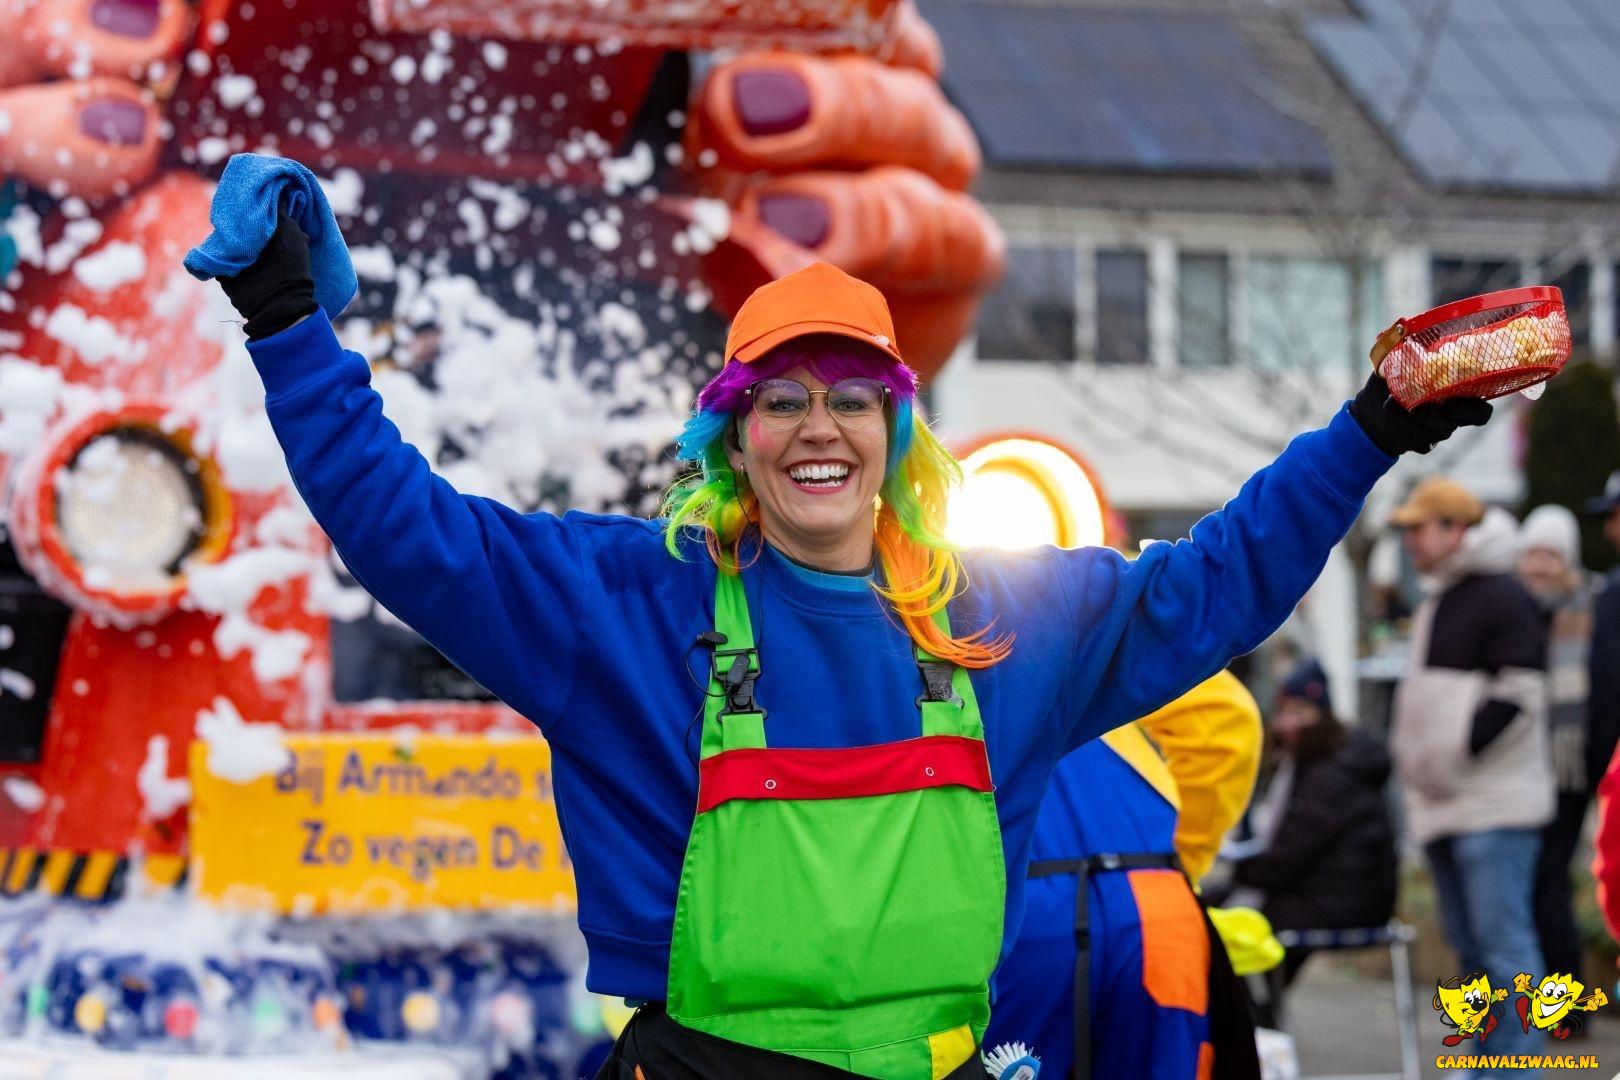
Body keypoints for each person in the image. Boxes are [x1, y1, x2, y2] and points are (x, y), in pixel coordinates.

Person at [204, 202, 1492, 1079]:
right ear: (733, 436)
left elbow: (1220, 580)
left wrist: (1371, 429)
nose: (818, 428)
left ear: (896, 434)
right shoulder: (628, 607)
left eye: (853, 399)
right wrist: (287, 322)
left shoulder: (1006, 619)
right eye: (781, 400)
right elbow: (407, 531)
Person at [986, 671, 1264, 1080]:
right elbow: (1222, 722)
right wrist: (1178, 862)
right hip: (1155, 908)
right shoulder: (1088, 643)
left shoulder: (918, 645)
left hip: (1014, 915)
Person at [1388, 479, 1551, 1063]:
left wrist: (1456, 750)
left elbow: (1522, 692)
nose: (1410, 541)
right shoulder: (1442, 596)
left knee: (1504, 950)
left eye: (1419, 528)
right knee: (1473, 954)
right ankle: (1486, 1066)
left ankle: (1515, 1070)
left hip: (1493, 806)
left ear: (1456, 529)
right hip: (1449, 804)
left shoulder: (1502, 595)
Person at [1228, 658, 1397, 1024]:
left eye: (1299, 711)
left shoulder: (1329, 772)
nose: (1287, 724)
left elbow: (1290, 855)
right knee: (1236, 921)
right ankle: (1257, 1018)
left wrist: (1237, 874)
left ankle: (1252, 1021)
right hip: (1338, 895)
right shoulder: (1318, 762)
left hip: (1345, 902)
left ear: (1322, 714)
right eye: (1283, 711)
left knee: (1229, 928)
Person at [1516, 505, 1605, 985]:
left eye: (1551, 555)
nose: (1540, 565)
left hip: (1567, 766)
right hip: (1517, 766)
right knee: (1532, 887)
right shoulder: (1509, 607)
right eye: (1532, 553)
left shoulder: (1590, 604)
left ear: (1568, 560)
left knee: (1548, 883)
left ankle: (1566, 1004)